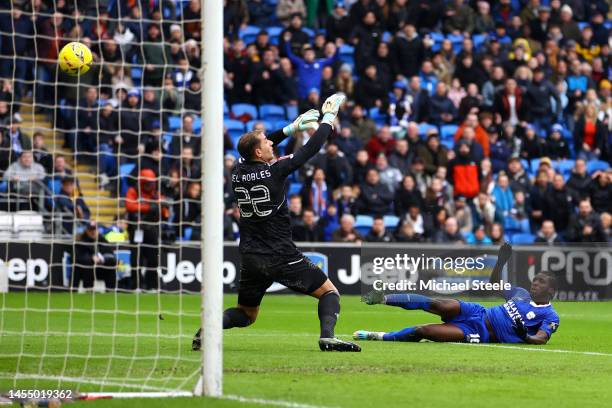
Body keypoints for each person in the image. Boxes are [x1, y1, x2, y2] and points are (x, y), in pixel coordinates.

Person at [192, 94, 360, 352]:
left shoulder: (236, 171)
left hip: (250, 254)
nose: (272, 142)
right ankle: (327, 336)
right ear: (259, 152)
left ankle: (209, 327)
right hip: (280, 254)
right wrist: (328, 119)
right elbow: (310, 150)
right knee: (329, 293)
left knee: (246, 314)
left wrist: (290, 129)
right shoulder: (275, 171)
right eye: (266, 142)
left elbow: (256, 147)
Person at [355, 243, 560, 345]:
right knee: (438, 304)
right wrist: (501, 262)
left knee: (423, 331)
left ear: (550, 291)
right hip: (479, 312)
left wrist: (525, 335)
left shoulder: (550, 316)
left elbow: (541, 338)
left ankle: (381, 336)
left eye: (541, 282)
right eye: (535, 278)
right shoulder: (521, 293)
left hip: (482, 332)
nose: (535, 282)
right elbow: (494, 284)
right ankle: (382, 298)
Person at [72, 221, 117, 291]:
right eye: (90, 230)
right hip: (85, 269)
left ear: (98, 230)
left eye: (94, 229)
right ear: (87, 231)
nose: (93, 232)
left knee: (112, 263)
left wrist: (103, 259)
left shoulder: (103, 240)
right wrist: (91, 258)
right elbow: (77, 258)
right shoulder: (81, 241)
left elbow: (111, 254)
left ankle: (111, 290)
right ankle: (88, 290)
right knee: (88, 263)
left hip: (101, 268)